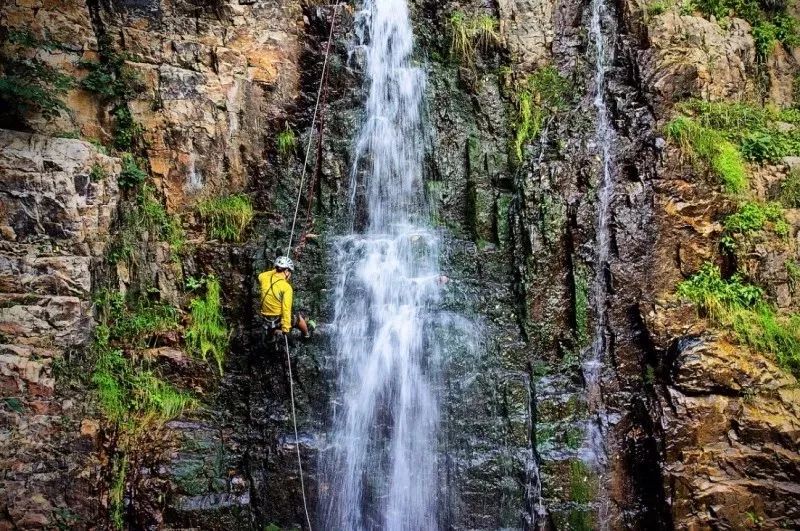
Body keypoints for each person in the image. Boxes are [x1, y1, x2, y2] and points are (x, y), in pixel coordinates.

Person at [258, 256, 312, 341]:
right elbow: (286, 309)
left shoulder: (264, 278)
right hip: (277, 318)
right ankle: (307, 335)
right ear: (287, 271)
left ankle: (272, 335)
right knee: (299, 318)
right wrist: (286, 328)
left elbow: (261, 275)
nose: (290, 275)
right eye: (290, 272)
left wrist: (276, 270)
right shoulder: (286, 287)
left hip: (266, 317)